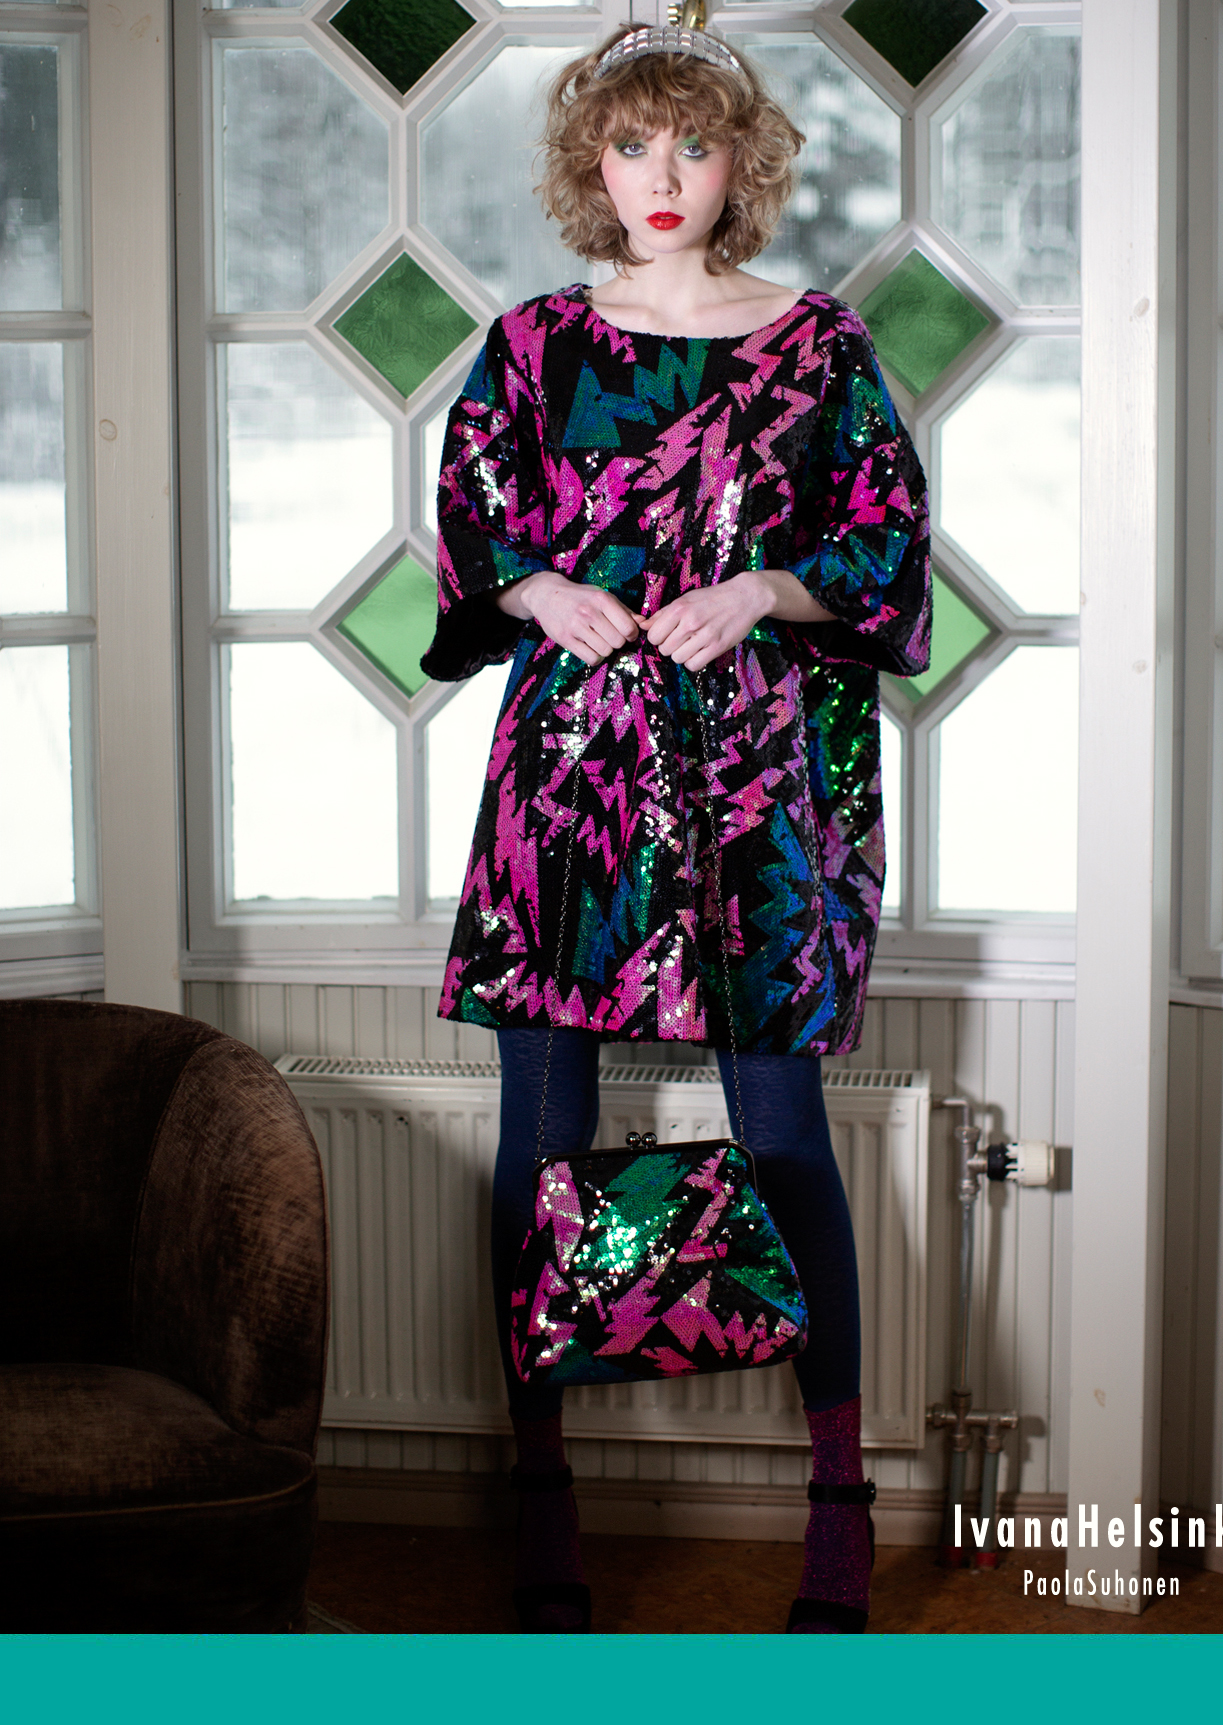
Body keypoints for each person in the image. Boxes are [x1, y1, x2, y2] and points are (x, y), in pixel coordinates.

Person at [420, 22, 931, 1634]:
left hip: (760, 790)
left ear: (740, 165)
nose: (662, 177)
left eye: (692, 146)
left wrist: (766, 586)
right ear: (593, 162)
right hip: (569, 782)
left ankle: (837, 1509)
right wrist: (533, 587)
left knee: (784, 1137)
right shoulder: (530, 347)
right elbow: (471, 527)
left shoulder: (820, 347)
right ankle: (544, 1502)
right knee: (542, 1136)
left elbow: (886, 549)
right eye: (632, 145)